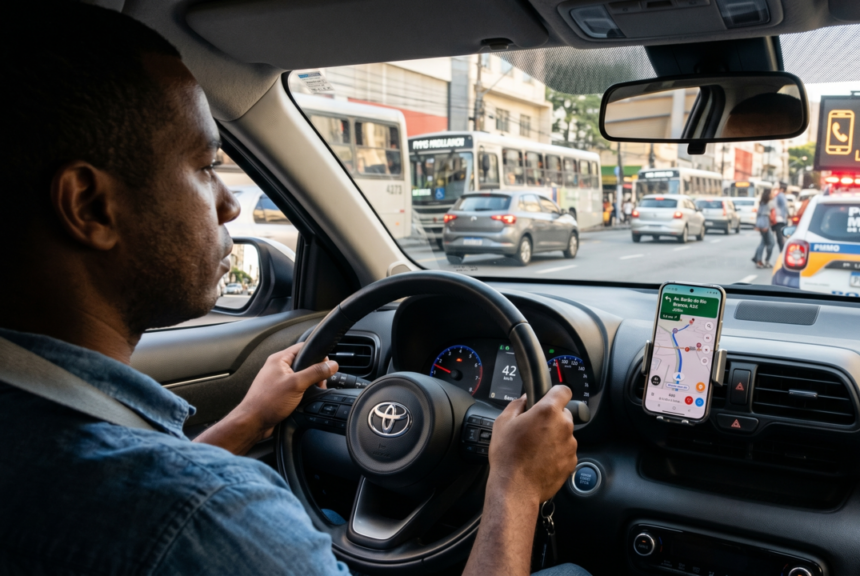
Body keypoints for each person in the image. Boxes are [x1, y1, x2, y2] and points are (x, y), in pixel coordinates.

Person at [0, 4, 585, 576]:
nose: (230, 203)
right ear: (90, 205)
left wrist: (248, 420)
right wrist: (515, 487)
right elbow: (181, 512)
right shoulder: (212, 514)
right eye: (206, 167)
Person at [751, 188, 774, 268]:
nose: (773, 194)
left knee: (763, 242)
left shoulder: (763, 202)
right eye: (771, 193)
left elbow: (758, 214)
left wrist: (757, 224)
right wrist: (766, 226)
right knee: (770, 243)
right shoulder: (768, 203)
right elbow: (766, 216)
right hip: (765, 224)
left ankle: (757, 259)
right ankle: (760, 260)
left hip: (762, 224)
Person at [772, 184, 789, 250]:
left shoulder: (780, 195)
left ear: (782, 189)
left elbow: (784, 206)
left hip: (779, 219)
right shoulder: (780, 196)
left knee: (780, 237)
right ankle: (782, 251)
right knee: (780, 237)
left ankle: (782, 251)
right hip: (780, 219)